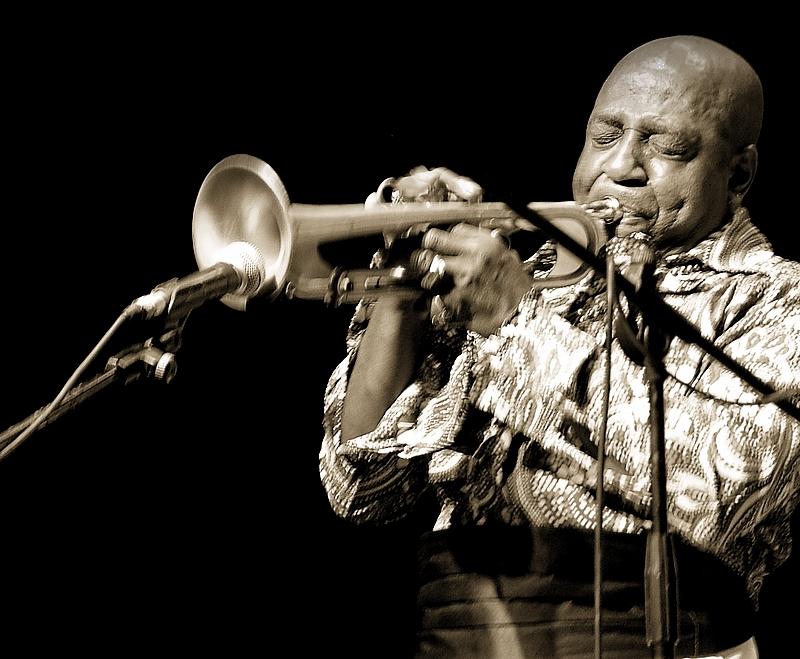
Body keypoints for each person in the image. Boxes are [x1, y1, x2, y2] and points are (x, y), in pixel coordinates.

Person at [319, 35, 800, 658]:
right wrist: (402, 290)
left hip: (655, 638)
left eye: (666, 147)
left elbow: (717, 491)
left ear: (738, 175)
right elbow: (363, 491)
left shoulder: (776, 297)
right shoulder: (529, 279)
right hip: (467, 633)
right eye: (604, 137)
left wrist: (516, 323)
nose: (620, 167)